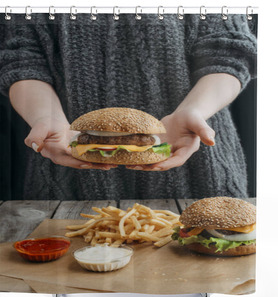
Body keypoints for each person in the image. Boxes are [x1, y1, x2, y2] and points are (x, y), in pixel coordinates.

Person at [0, 13, 257, 200]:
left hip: (195, 159)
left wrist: (195, 111)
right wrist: (46, 117)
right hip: (65, 170)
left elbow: (230, 52)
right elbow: (22, 60)